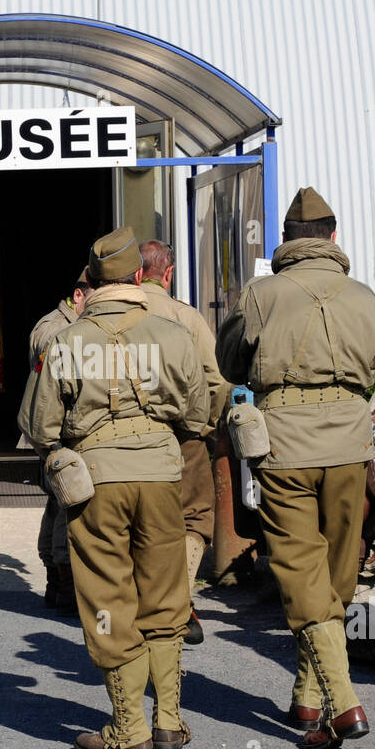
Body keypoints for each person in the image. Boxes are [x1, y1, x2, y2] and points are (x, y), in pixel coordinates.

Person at [20, 226, 208, 749]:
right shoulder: (174, 334)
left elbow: (39, 427)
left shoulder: (65, 341)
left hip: (96, 480)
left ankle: (128, 730)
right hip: (162, 476)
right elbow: (197, 415)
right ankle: (169, 721)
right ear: (142, 276)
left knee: (108, 598)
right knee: (167, 593)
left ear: (92, 281)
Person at [215, 187, 375, 749]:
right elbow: (374, 358)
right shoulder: (364, 294)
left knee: (298, 567)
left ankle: (341, 698)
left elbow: (230, 362)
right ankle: (308, 695)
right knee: (338, 569)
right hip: (350, 441)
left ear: (286, 241)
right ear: (333, 239)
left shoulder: (260, 294)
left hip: (285, 441)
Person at [138, 239, 230, 644]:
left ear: (137, 273)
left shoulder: (107, 313)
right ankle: (178, 598)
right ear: (168, 274)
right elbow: (217, 379)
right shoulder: (186, 317)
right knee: (193, 517)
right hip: (181, 435)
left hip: (125, 435)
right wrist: (204, 426)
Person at [27, 268, 90, 615]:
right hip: (58, 428)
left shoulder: (60, 325)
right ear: (78, 296)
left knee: (58, 504)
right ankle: (63, 580)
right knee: (67, 504)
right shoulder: (54, 328)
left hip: (58, 425)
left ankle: (57, 580)